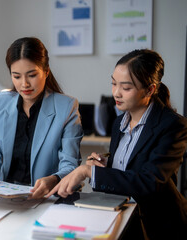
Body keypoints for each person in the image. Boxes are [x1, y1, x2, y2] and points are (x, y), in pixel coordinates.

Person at [47, 49, 187, 239]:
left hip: (156, 225)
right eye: (113, 83)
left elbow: (149, 182)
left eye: (126, 88)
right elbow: (129, 167)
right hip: (121, 216)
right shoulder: (118, 122)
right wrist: (103, 164)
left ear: (150, 89)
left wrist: (87, 172)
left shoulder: (173, 125)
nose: (116, 93)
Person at [0, 37, 83, 199]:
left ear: (46, 71)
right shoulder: (1, 101)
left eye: (31, 75)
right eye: (16, 76)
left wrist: (53, 180)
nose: (24, 84)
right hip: (4, 196)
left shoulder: (66, 107)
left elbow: (70, 164)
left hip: (45, 198)